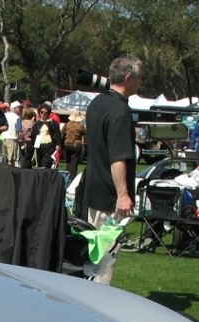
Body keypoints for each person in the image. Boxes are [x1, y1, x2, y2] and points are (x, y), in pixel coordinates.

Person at [79, 55, 143, 285]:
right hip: (109, 195)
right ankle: (97, 305)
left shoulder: (97, 104)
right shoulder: (120, 112)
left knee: (91, 251)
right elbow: (118, 158)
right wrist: (123, 195)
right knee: (105, 256)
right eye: (139, 78)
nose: (140, 83)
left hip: (92, 188)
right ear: (128, 78)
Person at [31, 103, 62, 169]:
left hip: (49, 145)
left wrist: (58, 144)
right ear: (39, 112)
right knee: (39, 163)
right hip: (38, 145)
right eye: (41, 112)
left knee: (46, 163)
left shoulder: (52, 122)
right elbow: (33, 135)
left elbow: (57, 134)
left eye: (45, 113)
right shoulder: (37, 124)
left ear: (48, 113)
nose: (43, 114)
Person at [62, 110, 86, 179]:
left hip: (67, 144)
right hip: (76, 145)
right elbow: (84, 133)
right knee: (74, 162)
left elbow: (62, 131)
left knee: (68, 162)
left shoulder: (67, 124)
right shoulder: (80, 126)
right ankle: (72, 178)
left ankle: (66, 176)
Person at [4, 102, 23, 166]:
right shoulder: (17, 118)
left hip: (2, 138)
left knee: (3, 158)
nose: (21, 110)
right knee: (11, 160)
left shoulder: (5, 115)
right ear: (15, 109)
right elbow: (19, 131)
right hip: (12, 139)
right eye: (20, 108)